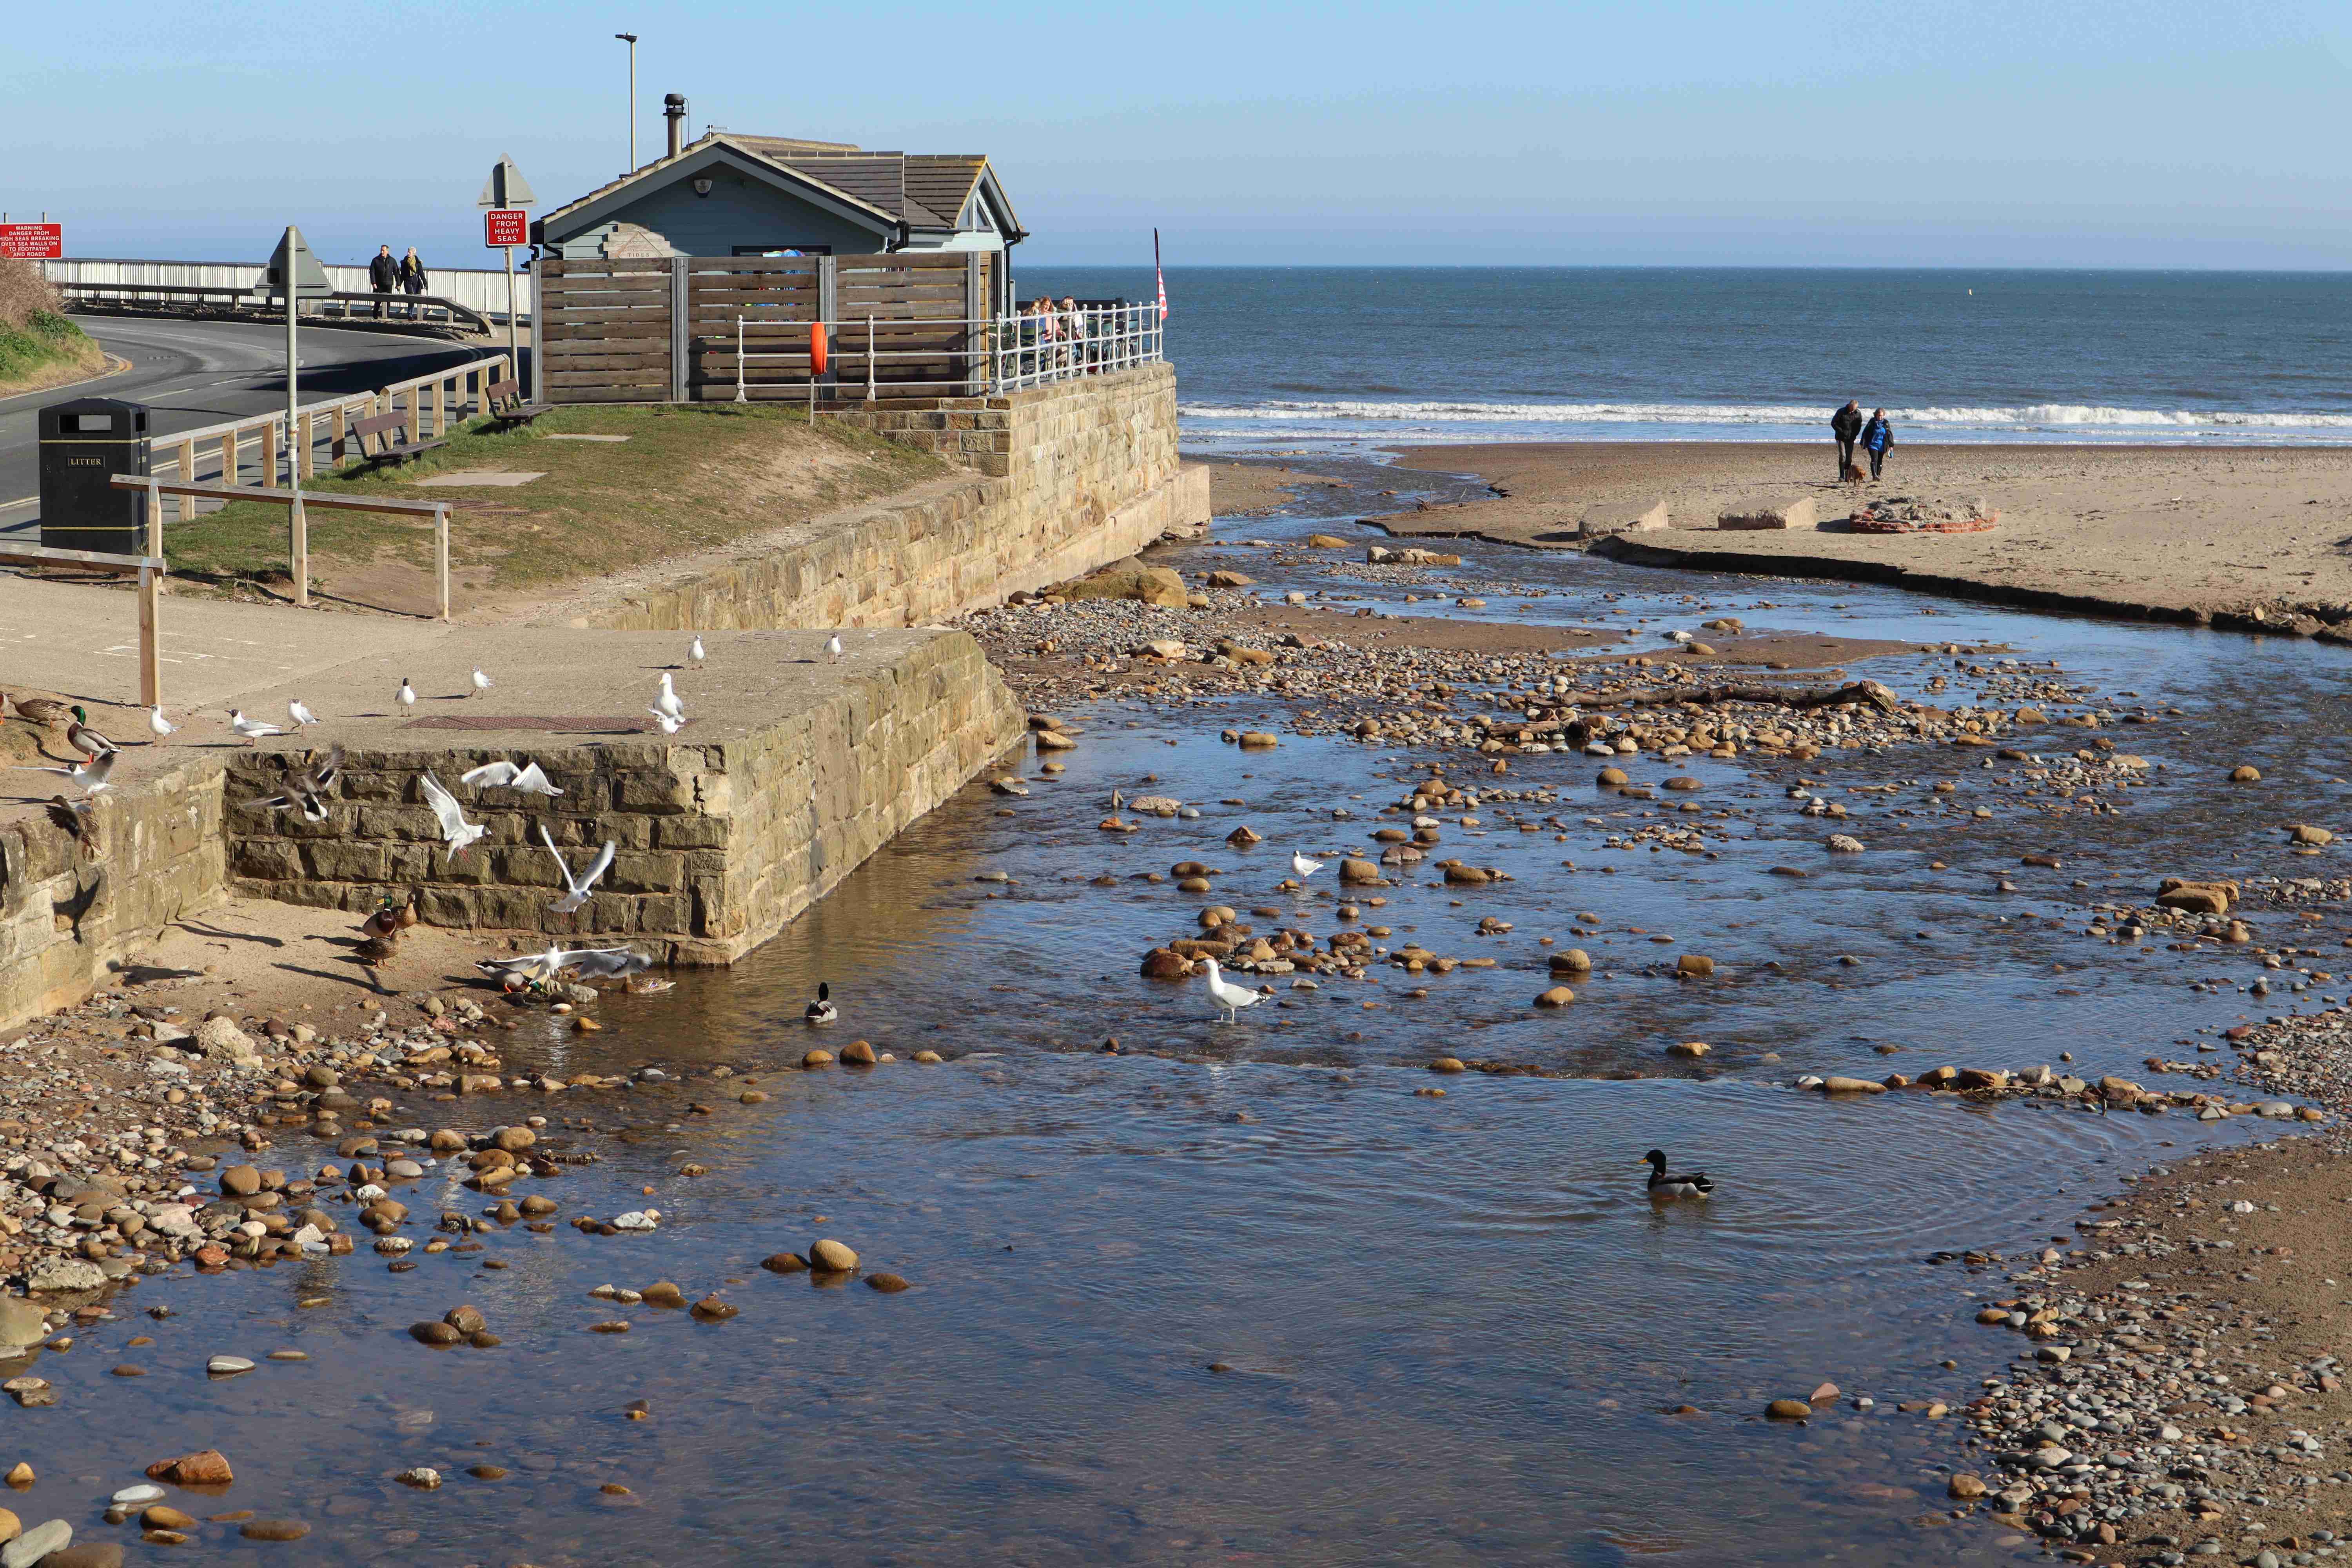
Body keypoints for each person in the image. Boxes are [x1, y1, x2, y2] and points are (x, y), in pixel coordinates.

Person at [1831, 399, 1863, 478]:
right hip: (1841, 437)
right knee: (1843, 456)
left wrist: (1855, 434)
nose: (1852, 410)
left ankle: (1848, 475)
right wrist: (1842, 432)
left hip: (1851, 438)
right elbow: (1834, 423)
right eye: (1852, 408)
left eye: (1854, 409)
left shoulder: (1858, 413)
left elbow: (1859, 426)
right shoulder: (1841, 412)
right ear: (1849, 406)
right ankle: (1842, 475)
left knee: (1849, 458)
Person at [1860, 407, 1895, 480]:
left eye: (1881, 416)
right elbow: (1865, 432)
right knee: (1874, 459)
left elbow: (1889, 434)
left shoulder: (1886, 423)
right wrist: (1862, 442)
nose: (1880, 417)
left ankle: (1878, 474)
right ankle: (1874, 475)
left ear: (1884, 415)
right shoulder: (1872, 422)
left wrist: (1891, 446)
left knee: (1880, 460)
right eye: (1878, 416)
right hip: (1872, 444)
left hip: (1882, 445)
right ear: (1876, 415)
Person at [368, 244, 399, 319]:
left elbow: (396, 272)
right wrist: (374, 283)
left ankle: (386, 316)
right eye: (381, 250)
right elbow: (372, 272)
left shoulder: (392, 260)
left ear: (387, 251)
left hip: (389, 284)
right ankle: (375, 315)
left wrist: (399, 284)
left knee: (388, 301)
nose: (382, 252)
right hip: (379, 284)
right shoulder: (376, 260)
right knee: (378, 301)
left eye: (383, 251)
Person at [399, 248, 428, 319]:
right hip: (408, 281)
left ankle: (416, 314)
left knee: (415, 298)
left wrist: (425, 283)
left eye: (410, 252)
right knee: (411, 296)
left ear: (413, 253)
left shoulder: (417, 262)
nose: (408, 254)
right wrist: (399, 284)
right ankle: (410, 314)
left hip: (416, 281)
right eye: (408, 252)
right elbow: (402, 274)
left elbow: (421, 273)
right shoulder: (405, 262)